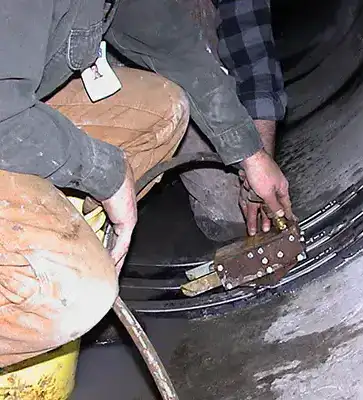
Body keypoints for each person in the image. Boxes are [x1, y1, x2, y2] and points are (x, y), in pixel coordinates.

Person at [0, 0, 292, 367]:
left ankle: (59, 236)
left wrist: (251, 155)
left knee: (164, 107)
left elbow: (172, 40)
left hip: (15, 107)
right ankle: (44, 281)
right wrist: (102, 171)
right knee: (78, 299)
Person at [178, 0, 291, 241]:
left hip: (178, 53)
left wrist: (257, 157)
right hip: (94, 45)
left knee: (233, 216)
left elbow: (250, 43)